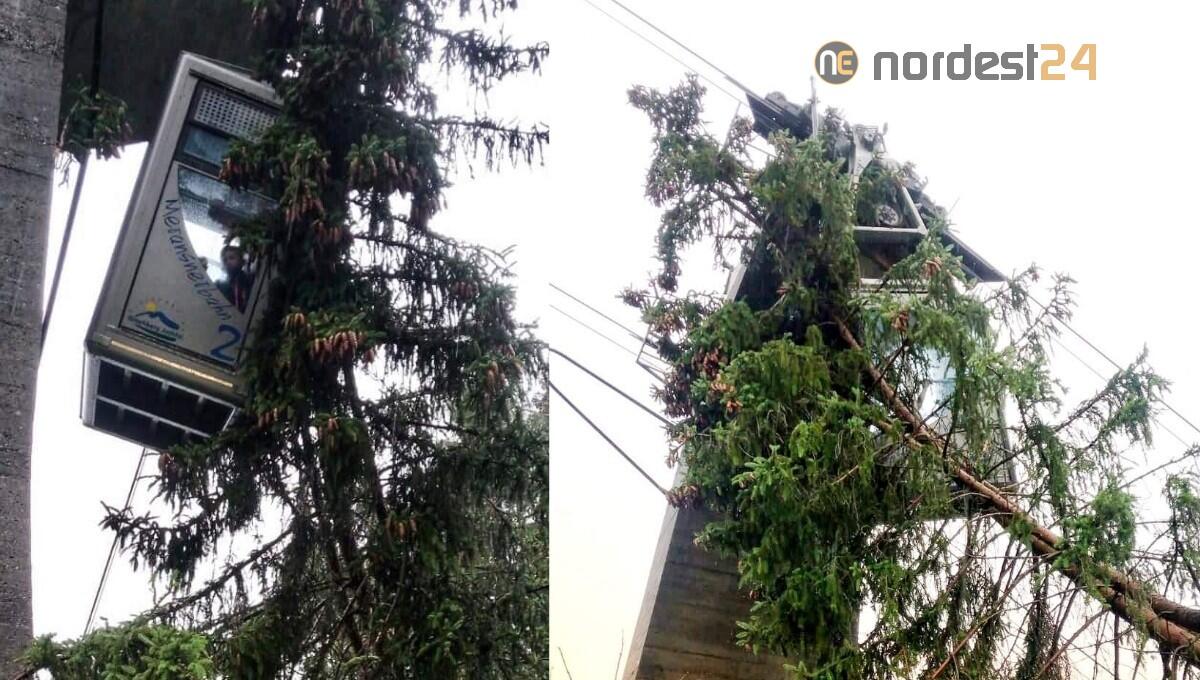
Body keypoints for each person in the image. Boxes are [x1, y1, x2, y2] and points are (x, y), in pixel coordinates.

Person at [216, 245, 254, 313]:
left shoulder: (249, 279)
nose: (228, 262)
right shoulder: (222, 287)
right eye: (225, 260)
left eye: (231, 258)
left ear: (241, 260)